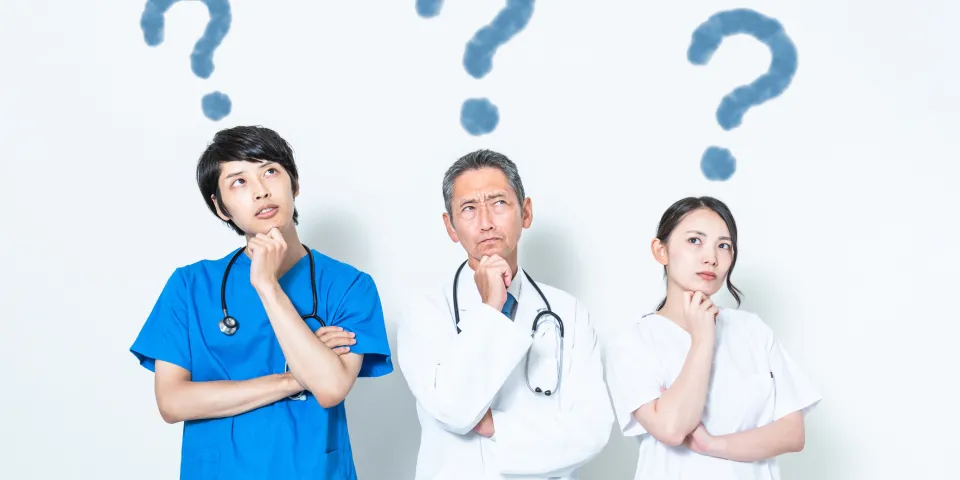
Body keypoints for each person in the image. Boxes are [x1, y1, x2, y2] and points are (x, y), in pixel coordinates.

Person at [129, 126, 393, 479]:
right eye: (239, 181)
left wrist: (267, 286)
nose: (260, 191)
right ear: (220, 207)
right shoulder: (191, 286)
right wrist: (296, 379)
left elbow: (331, 389)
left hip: (313, 470)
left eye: (270, 171)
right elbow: (172, 402)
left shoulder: (349, 285)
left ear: (294, 183)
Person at [396, 149, 613, 480]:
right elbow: (453, 410)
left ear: (525, 212)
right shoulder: (425, 313)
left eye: (498, 203)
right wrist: (490, 308)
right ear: (450, 226)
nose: (486, 223)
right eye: (469, 209)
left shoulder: (568, 313)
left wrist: (495, 426)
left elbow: (592, 431)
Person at [603, 196, 821, 480]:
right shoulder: (633, 343)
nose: (711, 258)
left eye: (724, 245)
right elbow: (671, 429)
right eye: (695, 240)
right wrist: (703, 339)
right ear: (661, 250)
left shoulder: (753, 330)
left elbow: (793, 433)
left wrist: (713, 445)